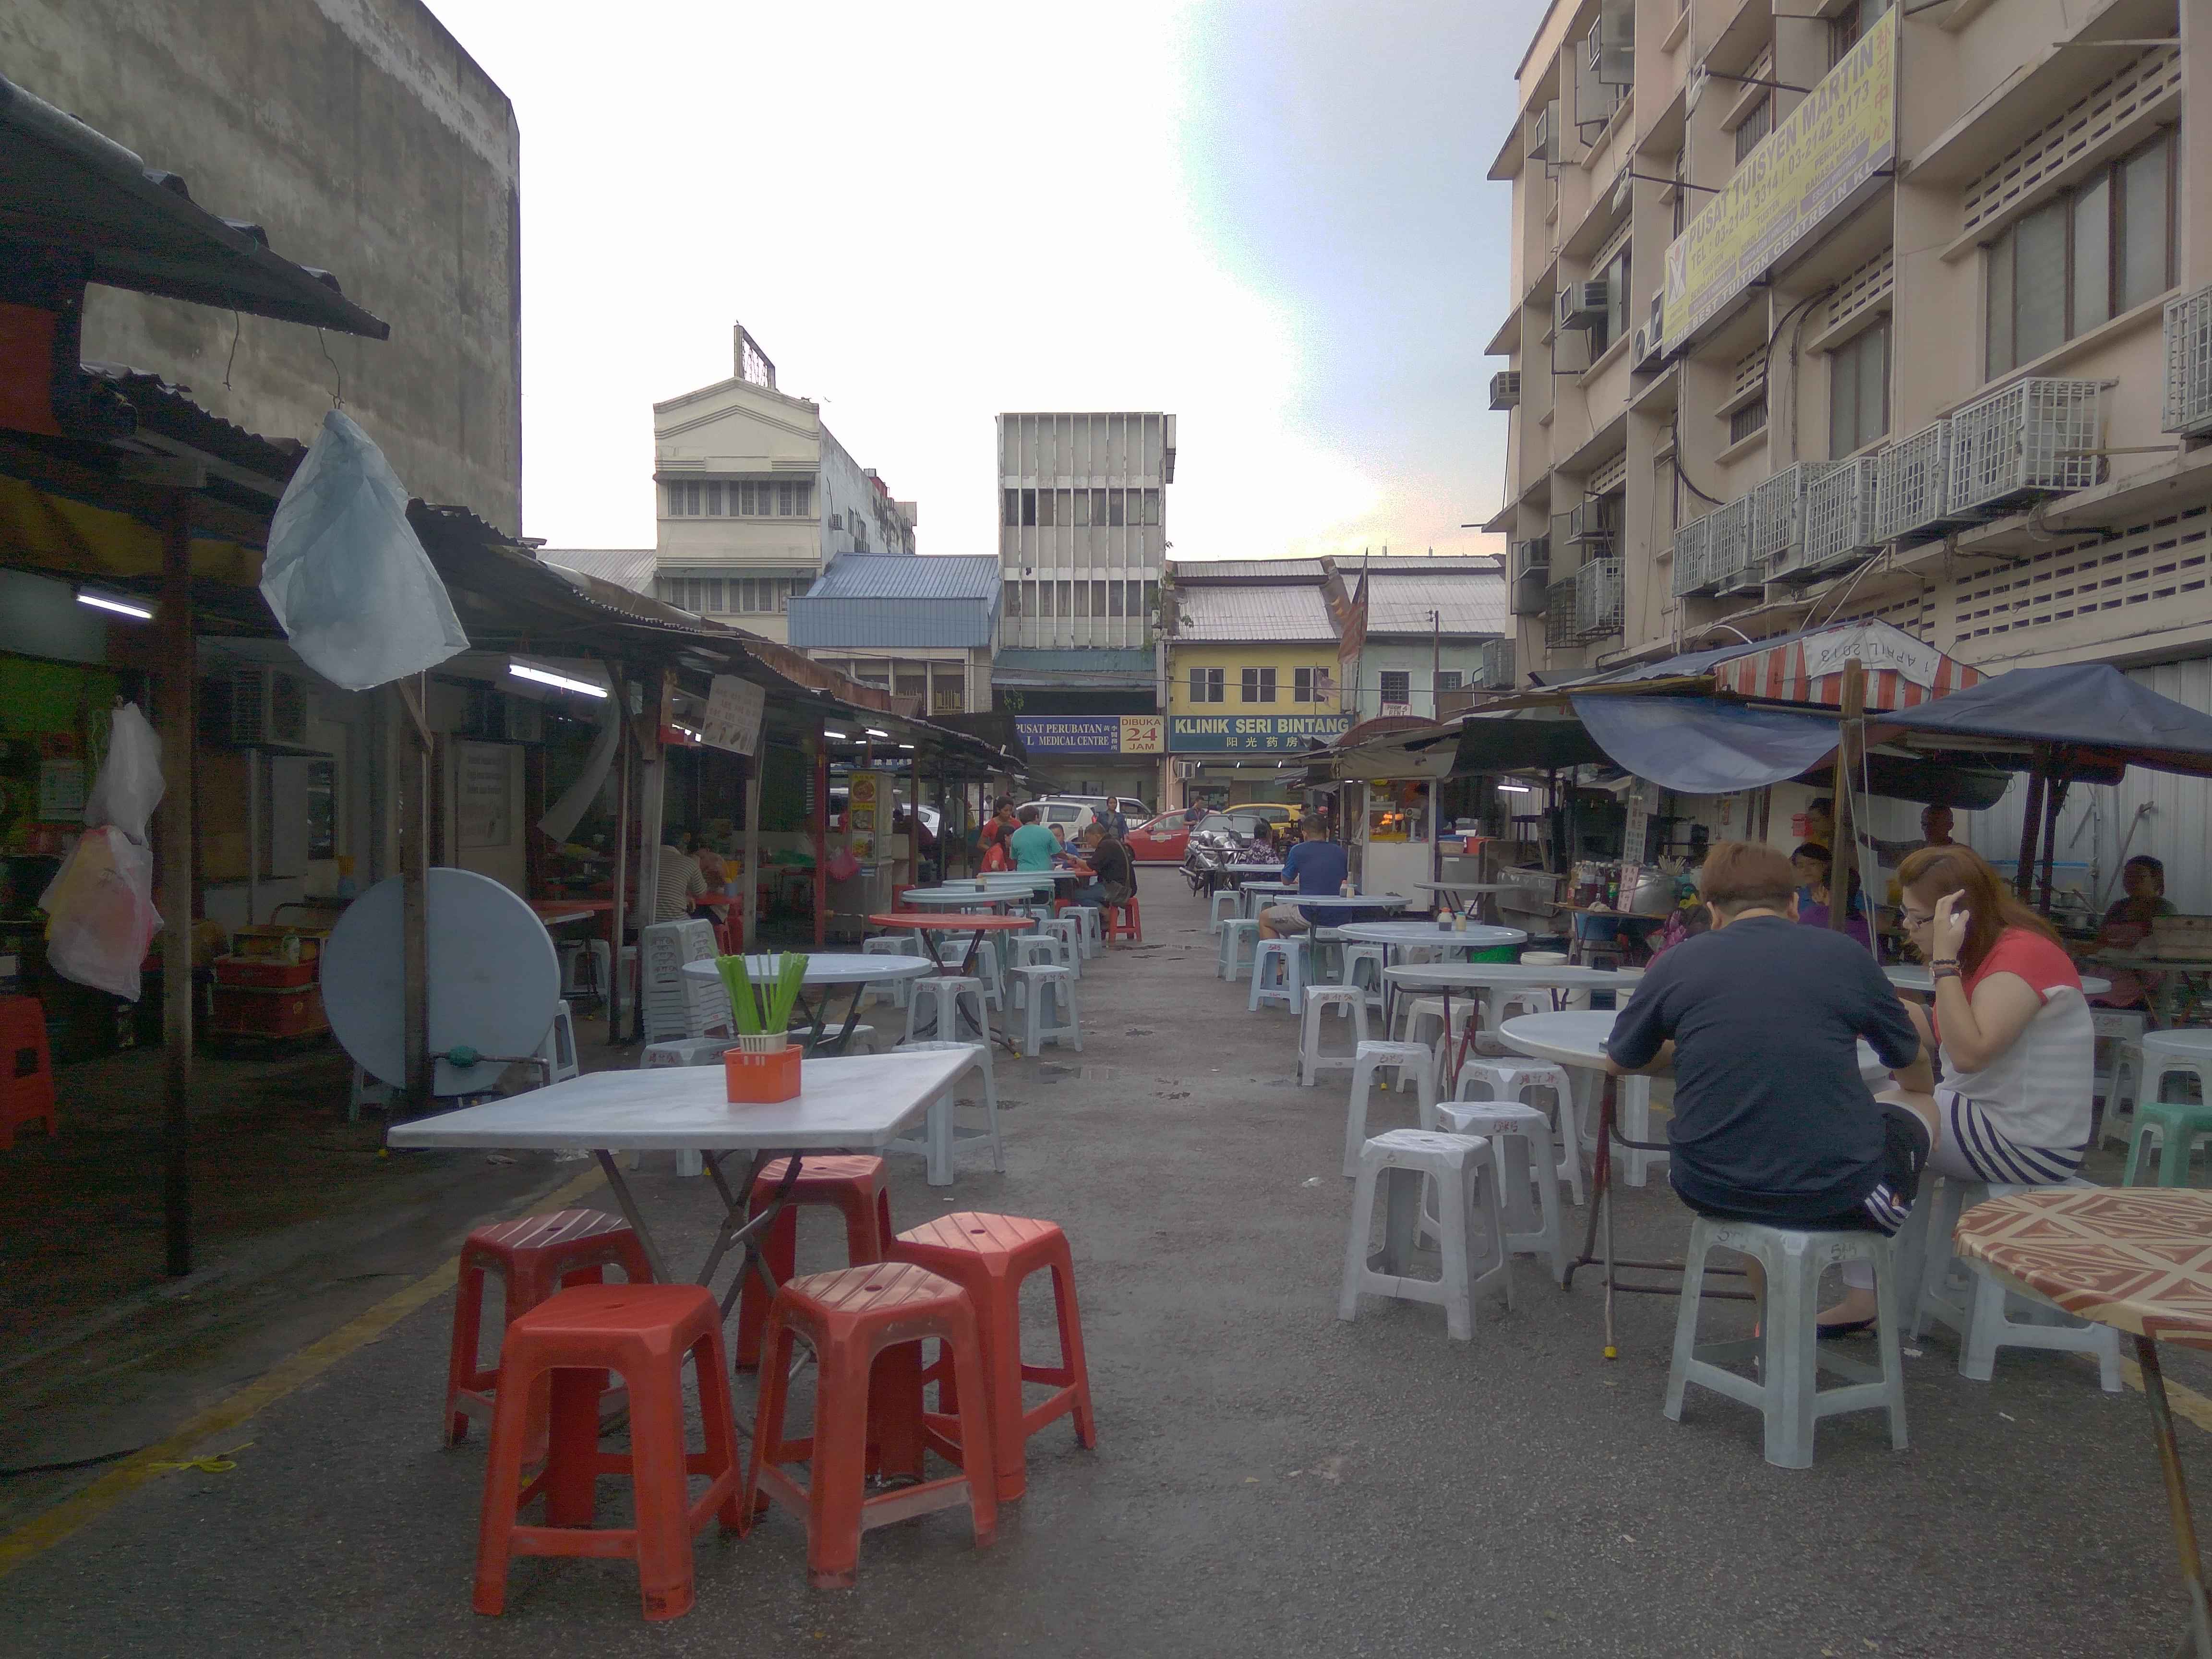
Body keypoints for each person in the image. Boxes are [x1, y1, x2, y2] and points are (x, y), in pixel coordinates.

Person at [1606, 842, 1927, 1333]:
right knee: (1919, 1103)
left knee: (1759, 1153)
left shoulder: (1678, 962)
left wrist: (1694, 1047)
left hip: (1708, 1186)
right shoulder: (1845, 955)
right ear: (1794, 905)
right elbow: (1910, 1065)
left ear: (1712, 911)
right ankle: (1864, 1294)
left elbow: (1621, 1060)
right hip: (1836, 1193)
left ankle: (1773, 1321)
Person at [1815, 842, 2096, 1331]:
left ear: (1956, 918)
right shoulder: (1992, 949)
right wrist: (1858, 1006)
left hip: (2023, 1135)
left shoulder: (2020, 956)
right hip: (1992, 1117)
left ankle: (1866, 1291)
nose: (1906, 927)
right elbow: (1941, 1027)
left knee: (1853, 1126)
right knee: (1868, 1108)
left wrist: (1943, 963)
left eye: (1918, 918)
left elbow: (1968, 1051)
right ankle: (1872, 1272)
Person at [2092, 855, 2174, 1010]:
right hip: (2111, 967)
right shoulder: (2117, 908)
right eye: (2127, 876)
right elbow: (2101, 940)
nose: (2131, 880)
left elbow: (2160, 947)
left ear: (2156, 879)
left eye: (2139, 876)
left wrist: (2118, 949)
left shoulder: (2164, 909)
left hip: (2147, 973)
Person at [1258, 817, 1349, 938]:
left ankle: (1276, 957)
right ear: (1327, 833)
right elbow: (1342, 880)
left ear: (1304, 834)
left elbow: (1286, 881)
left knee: (1264, 918)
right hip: (1339, 914)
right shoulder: (1341, 852)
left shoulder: (1298, 850)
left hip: (1309, 914)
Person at [1789, 842, 1871, 946]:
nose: (1806, 870)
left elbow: (1881, 924)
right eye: (1800, 866)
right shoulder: (1793, 899)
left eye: (1812, 864)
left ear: (1827, 865)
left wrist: (1831, 909)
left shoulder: (1850, 893)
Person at [1072, 820, 1136, 911]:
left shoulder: (1106, 845)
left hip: (1117, 889)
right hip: (1126, 887)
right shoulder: (1114, 842)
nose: (1089, 843)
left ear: (1097, 836)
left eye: (1089, 839)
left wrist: (1075, 860)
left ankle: (1105, 913)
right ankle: (1102, 921)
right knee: (1088, 891)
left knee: (1076, 895)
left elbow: (1090, 867)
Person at [653, 829, 707, 921]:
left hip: (636, 925)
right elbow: (701, 894)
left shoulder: (643, 860)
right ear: (682, 846)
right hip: (674, 923)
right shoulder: (689, 862)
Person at [1007, 804, 1058, 873]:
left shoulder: (1016, 835)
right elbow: (1058, 852)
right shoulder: (1047, 832)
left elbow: (1014, 858)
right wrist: (1069, 857)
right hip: (1044, 874)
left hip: (1023, 874)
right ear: (1036, 817)